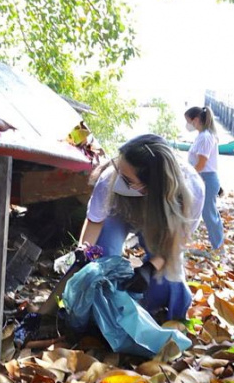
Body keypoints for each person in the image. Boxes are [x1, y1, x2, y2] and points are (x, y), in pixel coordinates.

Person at [78, 134, 204, 321]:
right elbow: (95, 222)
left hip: (161, 222)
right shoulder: (110, 179)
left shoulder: (192, 190)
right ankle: (101, 310)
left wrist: (150, 268)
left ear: (153, 186)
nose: (119, 180)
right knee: (101, 259)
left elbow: (177, 242)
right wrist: (82, 253)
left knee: (165, 282)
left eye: (128, 180)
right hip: (119, 213)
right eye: (118, 169)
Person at [184, 106, 225, 252]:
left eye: (188, 121)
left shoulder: (207, 137)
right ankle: (183, 242)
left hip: (206, 178)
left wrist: (188, 175)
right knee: (192, 210)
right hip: (201, 178)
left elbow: (201, 164)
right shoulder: (201, 136)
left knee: (209, 213)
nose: (187, 124)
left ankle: (219, 247)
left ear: (195, 120)